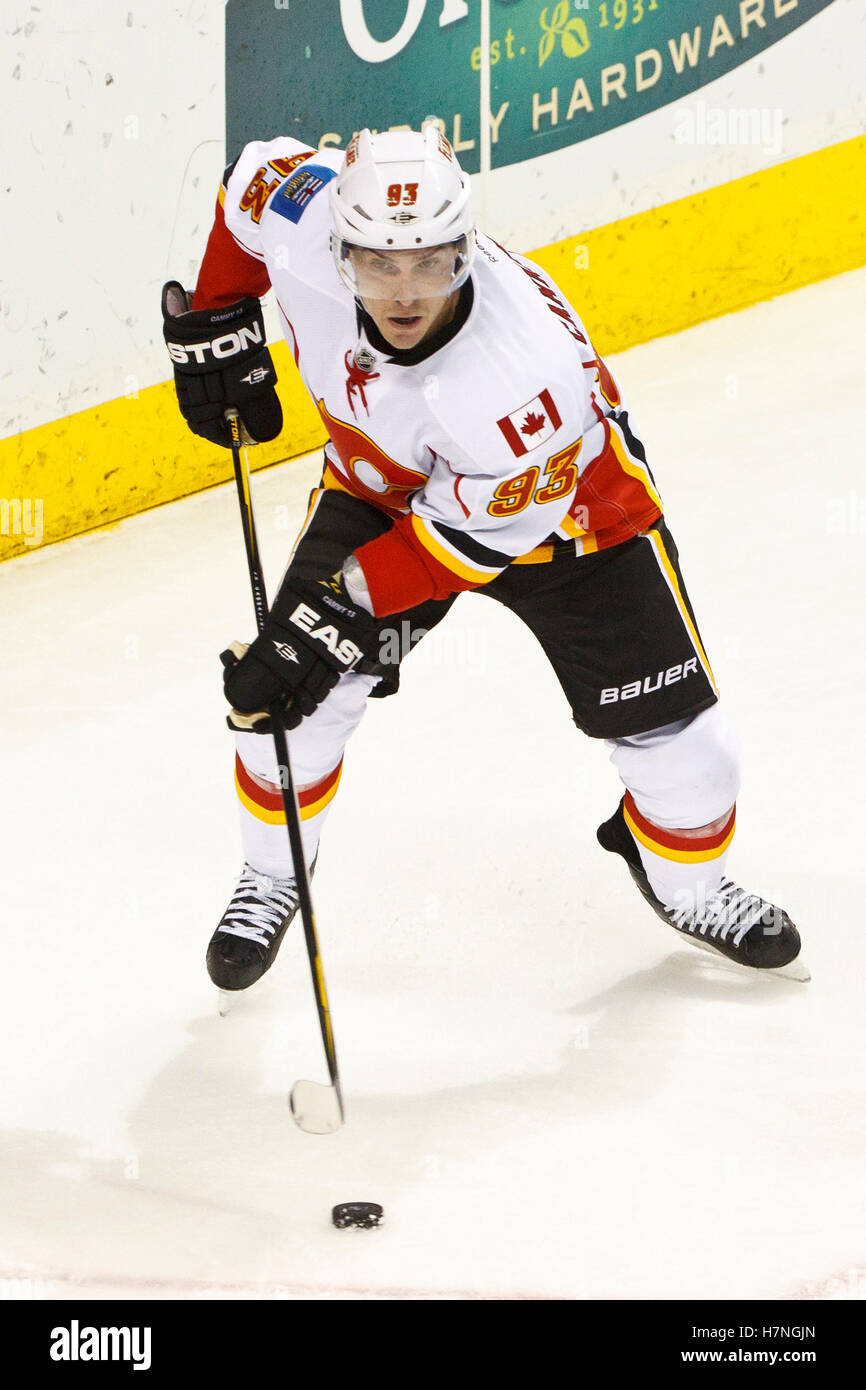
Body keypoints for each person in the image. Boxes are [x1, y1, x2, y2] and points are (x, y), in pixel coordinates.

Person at [162, 123, 808, 991]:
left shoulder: (522, 381)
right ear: (338, 246)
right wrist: (214, 313)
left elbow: (450, 549)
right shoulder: (305, 212)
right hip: (377, 485)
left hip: (570, 520)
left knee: (692, 760)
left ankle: (686, 882)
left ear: (465, 251)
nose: (403, 291)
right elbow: (244, 189)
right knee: (293, 708)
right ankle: (274, 875)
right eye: (378, 264)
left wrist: (324, 619)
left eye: (429, 262)